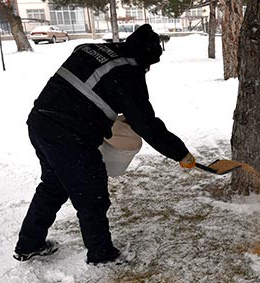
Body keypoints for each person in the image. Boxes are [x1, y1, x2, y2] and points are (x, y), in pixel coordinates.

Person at [14, 24, 196, 265]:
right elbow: (147, 125)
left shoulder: (92, 49)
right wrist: (180, 153)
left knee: (53, 185)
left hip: (40, 122)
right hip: (69, 136)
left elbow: (91, 88)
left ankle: (29, 244)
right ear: (143, 59)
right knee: (91, 195)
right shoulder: (128, 72)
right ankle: (102, 255)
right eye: (149, 65)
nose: (148, 70)